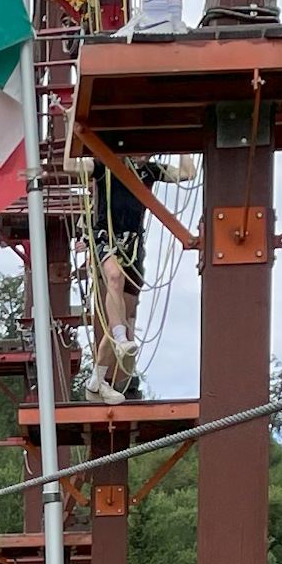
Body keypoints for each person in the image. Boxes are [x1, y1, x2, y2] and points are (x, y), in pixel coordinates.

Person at [85, 155, 190, 403]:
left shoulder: (150, 172)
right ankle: (120, 341)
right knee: (113, 278)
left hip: (133, 245)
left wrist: (184, 146)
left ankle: (97, 380)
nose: (144, 157)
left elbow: (187, 174)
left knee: (121, 318)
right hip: (106, 236)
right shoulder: (105, 166)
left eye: (148, 153)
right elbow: (72, 166)